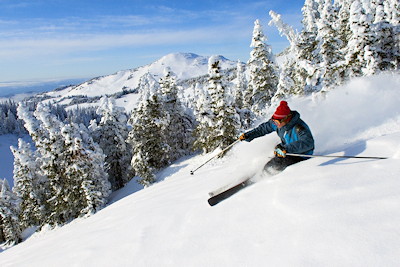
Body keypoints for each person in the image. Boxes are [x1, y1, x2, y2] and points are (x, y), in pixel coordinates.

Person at [239, 101, 314, 175]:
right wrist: (249, 135)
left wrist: (286, 149)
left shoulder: (299, 127)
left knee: (273, 165)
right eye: (274, 121)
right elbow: (263, 129)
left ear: (286, 119)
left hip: (300, 155)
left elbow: (308, 143)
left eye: (277, 122)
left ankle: (266, 177)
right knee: (274, 154)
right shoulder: (278, 124)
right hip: (286, 150)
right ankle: (263, 173)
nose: (275, 124)